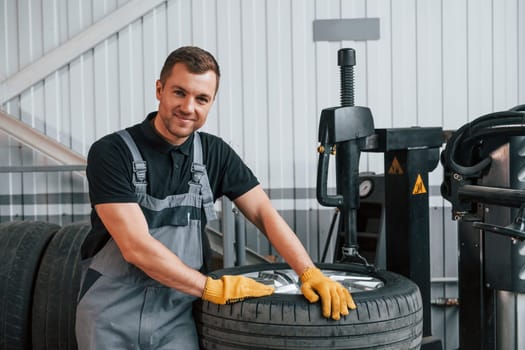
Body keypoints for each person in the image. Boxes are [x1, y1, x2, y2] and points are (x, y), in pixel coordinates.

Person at [75, 46, 356, 349]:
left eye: (201, 99)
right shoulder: (112, 152)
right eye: (179, 93)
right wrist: (210, 288)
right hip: (111, 315)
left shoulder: (214, 154)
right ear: (159, 89)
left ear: (211, 102)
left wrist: (309, 271)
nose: (188, 107)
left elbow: (262, 212)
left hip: (176, 316)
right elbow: (135, 247)